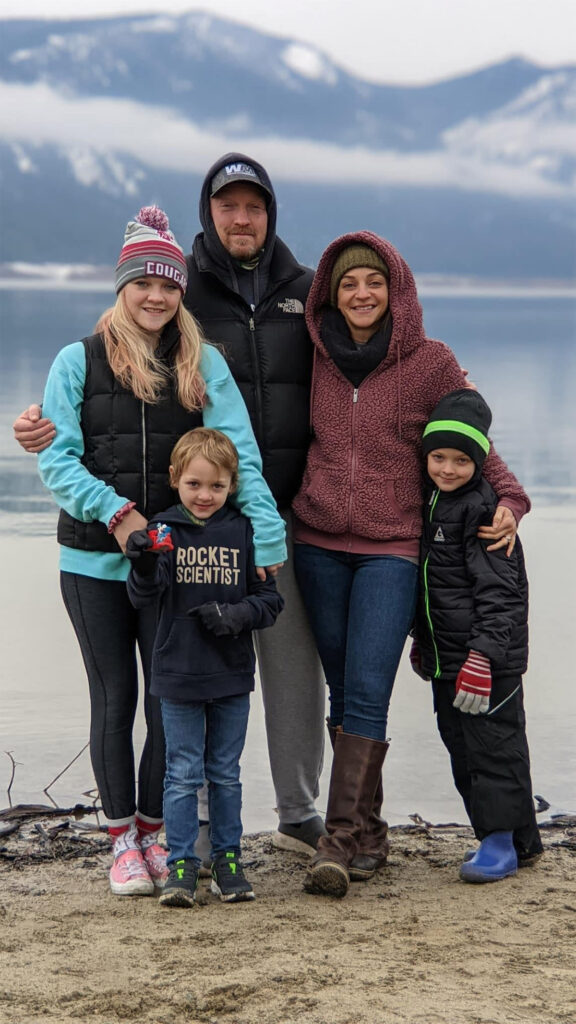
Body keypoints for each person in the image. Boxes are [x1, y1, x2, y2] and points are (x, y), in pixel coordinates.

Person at [13, 153, 326, 856]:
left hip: (183, 556)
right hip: (98, 559)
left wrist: (268, 545)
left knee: (170, 702)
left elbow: (239, 451)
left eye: (166, 286)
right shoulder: (80, 359)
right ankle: (126, 837)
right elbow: (59, 456)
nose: (155, 296)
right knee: (116, 700)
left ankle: (171, 831)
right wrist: (117, 513)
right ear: (123, 285)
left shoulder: (206, 356)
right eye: (142, 282)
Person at [291, 232, 530, 899]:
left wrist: (508, 497)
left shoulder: (431, 362)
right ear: (329, 296)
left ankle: (337, 838)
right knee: (342, 688)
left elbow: (473, 436)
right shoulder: (311, 356)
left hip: (394, 547)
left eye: (373, 282)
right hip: (316, 540)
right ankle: (368, 835)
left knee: (368, 687)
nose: (361, 294)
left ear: (397, 289)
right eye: (347, 285)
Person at [126, 428, 284, 907]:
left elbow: (270, 601)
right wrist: (145, 564)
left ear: (232, 485)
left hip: (232, 672)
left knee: (225, 772)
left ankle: (227, 860)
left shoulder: (243, 529)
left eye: (216, 486)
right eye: (194, 484)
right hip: (177, 672)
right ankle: (181, 864)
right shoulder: (163, 530)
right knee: (181, 773)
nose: (205, 495)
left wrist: (236, 616)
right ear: (176, 479)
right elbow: (141, 598)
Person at [410, 388, 542, 883]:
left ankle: (498, 842)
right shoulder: (432, 503)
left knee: (494, 748)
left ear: (481, 461)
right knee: (461, 746)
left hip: (487, 660)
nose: (447, 468)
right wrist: (422, 641)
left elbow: (500, 595)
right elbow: (429, 583)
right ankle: (522, 839)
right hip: (448, 659)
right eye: (438, 457)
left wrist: (484, 657)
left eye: (461, 460)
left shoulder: (485, 514)